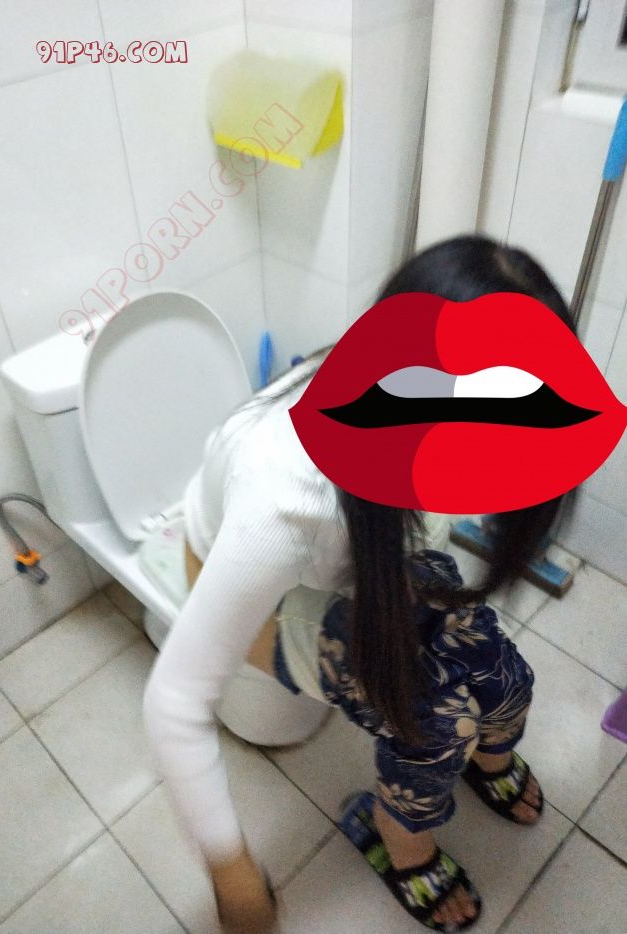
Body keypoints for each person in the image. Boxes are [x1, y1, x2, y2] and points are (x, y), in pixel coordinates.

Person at [142, 235, 570, 933]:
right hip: (265, 591)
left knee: (498, 668)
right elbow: (173, 701)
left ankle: (489, 761)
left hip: (358, 546)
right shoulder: (285, 498)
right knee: (435, 720)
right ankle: (401, 845)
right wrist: (232, 872)